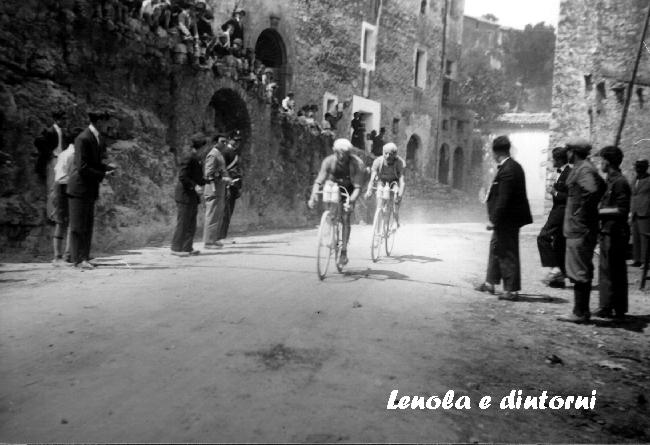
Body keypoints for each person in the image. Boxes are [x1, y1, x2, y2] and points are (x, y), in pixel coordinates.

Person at [475, 136, 533, 301]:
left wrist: (493, 220)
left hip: (507, 219)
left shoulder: (508, 169)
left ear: (496, 152)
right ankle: (489, 283)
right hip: (508, 219)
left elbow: (504, 198)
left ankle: (511, 290)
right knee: (495, 248)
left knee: (507, 252)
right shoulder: (513, 166)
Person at [557, 139, 606, 323]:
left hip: (580, 227)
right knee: (579, 268)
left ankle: (579, 312)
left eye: (568, 150)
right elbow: (601, 185)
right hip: (579, 227)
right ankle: (581, 311)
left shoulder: (584, 169)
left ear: (573, 152)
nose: (566, 153)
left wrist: (581, 212)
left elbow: (594, 190)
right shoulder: (584, 167)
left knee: (579, 270)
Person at [66, 110, 117, 270]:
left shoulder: (94, 137)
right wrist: (103, 173)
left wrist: (106, 168)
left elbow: (93, 163)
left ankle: (84, 257)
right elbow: (82, 167)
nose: (108, 124)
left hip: (88, 187)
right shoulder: (83, 137)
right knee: (78, 226)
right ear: (99, 121)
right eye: (106, 121)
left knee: (87, 224)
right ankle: (77, 260)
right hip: (79, 187)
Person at [308, 138, 365, 266]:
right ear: (334, 151)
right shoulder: (329, 161)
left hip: (350, 188)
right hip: (333, 185)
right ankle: (329, 221)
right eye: (338, 153)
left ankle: (344, 251)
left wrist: (350, 201)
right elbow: (319, 180)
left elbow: (357, 188)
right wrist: (313, 195)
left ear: (349, 153)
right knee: (328, 190)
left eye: (345, 153)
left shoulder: (357, 164)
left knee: (345, 217)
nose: (341, 156)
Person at [595, 146, 631, 320]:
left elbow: (622, 210)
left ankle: (617, 309)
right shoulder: (610, 181)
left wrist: (598, 212)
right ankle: (607, 306)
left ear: (607, 162)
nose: (600, 163)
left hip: (616, 232)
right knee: (606, 270)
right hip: (607, 230)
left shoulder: (620, 182)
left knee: (615, 271)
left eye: (602, 160)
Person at [537, 146, 572, 287]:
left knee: (543, 237)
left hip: (561, 211)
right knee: (559, 243)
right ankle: (560, 278)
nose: (552, 161)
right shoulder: (560, 172)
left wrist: (554, 192)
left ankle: (555, 269)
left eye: (553, 158)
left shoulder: (569, 173)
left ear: (559, 159)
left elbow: (570, 197)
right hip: (557, 209)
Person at [171, 133, 206, 257]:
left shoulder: (195, 158)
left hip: (191, 196)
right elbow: (182, 176)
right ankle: (176, 248)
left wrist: (207, 180)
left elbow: (197, 177)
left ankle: (186, 248)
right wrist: (194, 186)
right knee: (183, 222)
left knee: (191, 223)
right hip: (185, 195)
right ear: (200, 146)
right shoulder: (189, 157)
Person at [50, 128, 80, 266]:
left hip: (64, 186)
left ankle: (67, 255)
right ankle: (58, 256)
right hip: (63, 187)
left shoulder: (68, 153)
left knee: (67, 223)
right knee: (62, 223)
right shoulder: (71, 154)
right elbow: (64, 175)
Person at [34, 110, 65, 222]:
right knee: (52, 187)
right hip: (54, 160)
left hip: (60, 160)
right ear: (57, 120)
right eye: (62, 119)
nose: (64, 121)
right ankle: (51, 215)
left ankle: (56, 213)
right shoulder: (50, 131)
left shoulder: (61, 131)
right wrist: (49, 154)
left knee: (59, 188)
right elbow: (38, 141)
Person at [365, 142, 406, 227]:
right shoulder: (378, 161)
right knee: (379, 193)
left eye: (390, 154)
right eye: (385, 153)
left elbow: (402, 181)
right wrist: (369, 190)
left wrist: (400, 195)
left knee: (395, 197)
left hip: (394, 182)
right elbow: (372, 179)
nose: (387, 156)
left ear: (395, 155)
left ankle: (395, 219)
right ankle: (379, 210)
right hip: (381, 181)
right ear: (383, 153)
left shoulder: (399, 163)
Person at [203, 133, 231, 249]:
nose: (225, 144)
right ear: (216, 142)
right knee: (212, 216)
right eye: (222, 141)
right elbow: (208, 174)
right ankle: (208, 242)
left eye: (226, 141)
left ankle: (214, 239)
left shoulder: (219, 154)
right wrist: (223, 177)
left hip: (219, 189)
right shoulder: (213, 155)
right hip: (213, 190)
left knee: (217, 215)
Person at [219, 131, 243, 240]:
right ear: (229, 139)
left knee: (229, 211)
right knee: (226, 211)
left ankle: (223, 235)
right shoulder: (226, 152)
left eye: (239, 140)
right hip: (227, 185)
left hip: (233, 185)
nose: (237, 142)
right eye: (235, 140)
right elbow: (223, 169)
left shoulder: (233, 152)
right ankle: (220, 236)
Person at [631, 158, 650, 267]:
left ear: (645, 167)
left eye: (640, 166)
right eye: (636, 166)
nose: (637, 168)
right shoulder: (635, 179)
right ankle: (636, 259)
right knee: (636, 236)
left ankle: (645, 261)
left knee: (645, 238)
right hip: (635, 212)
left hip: (645, 211)